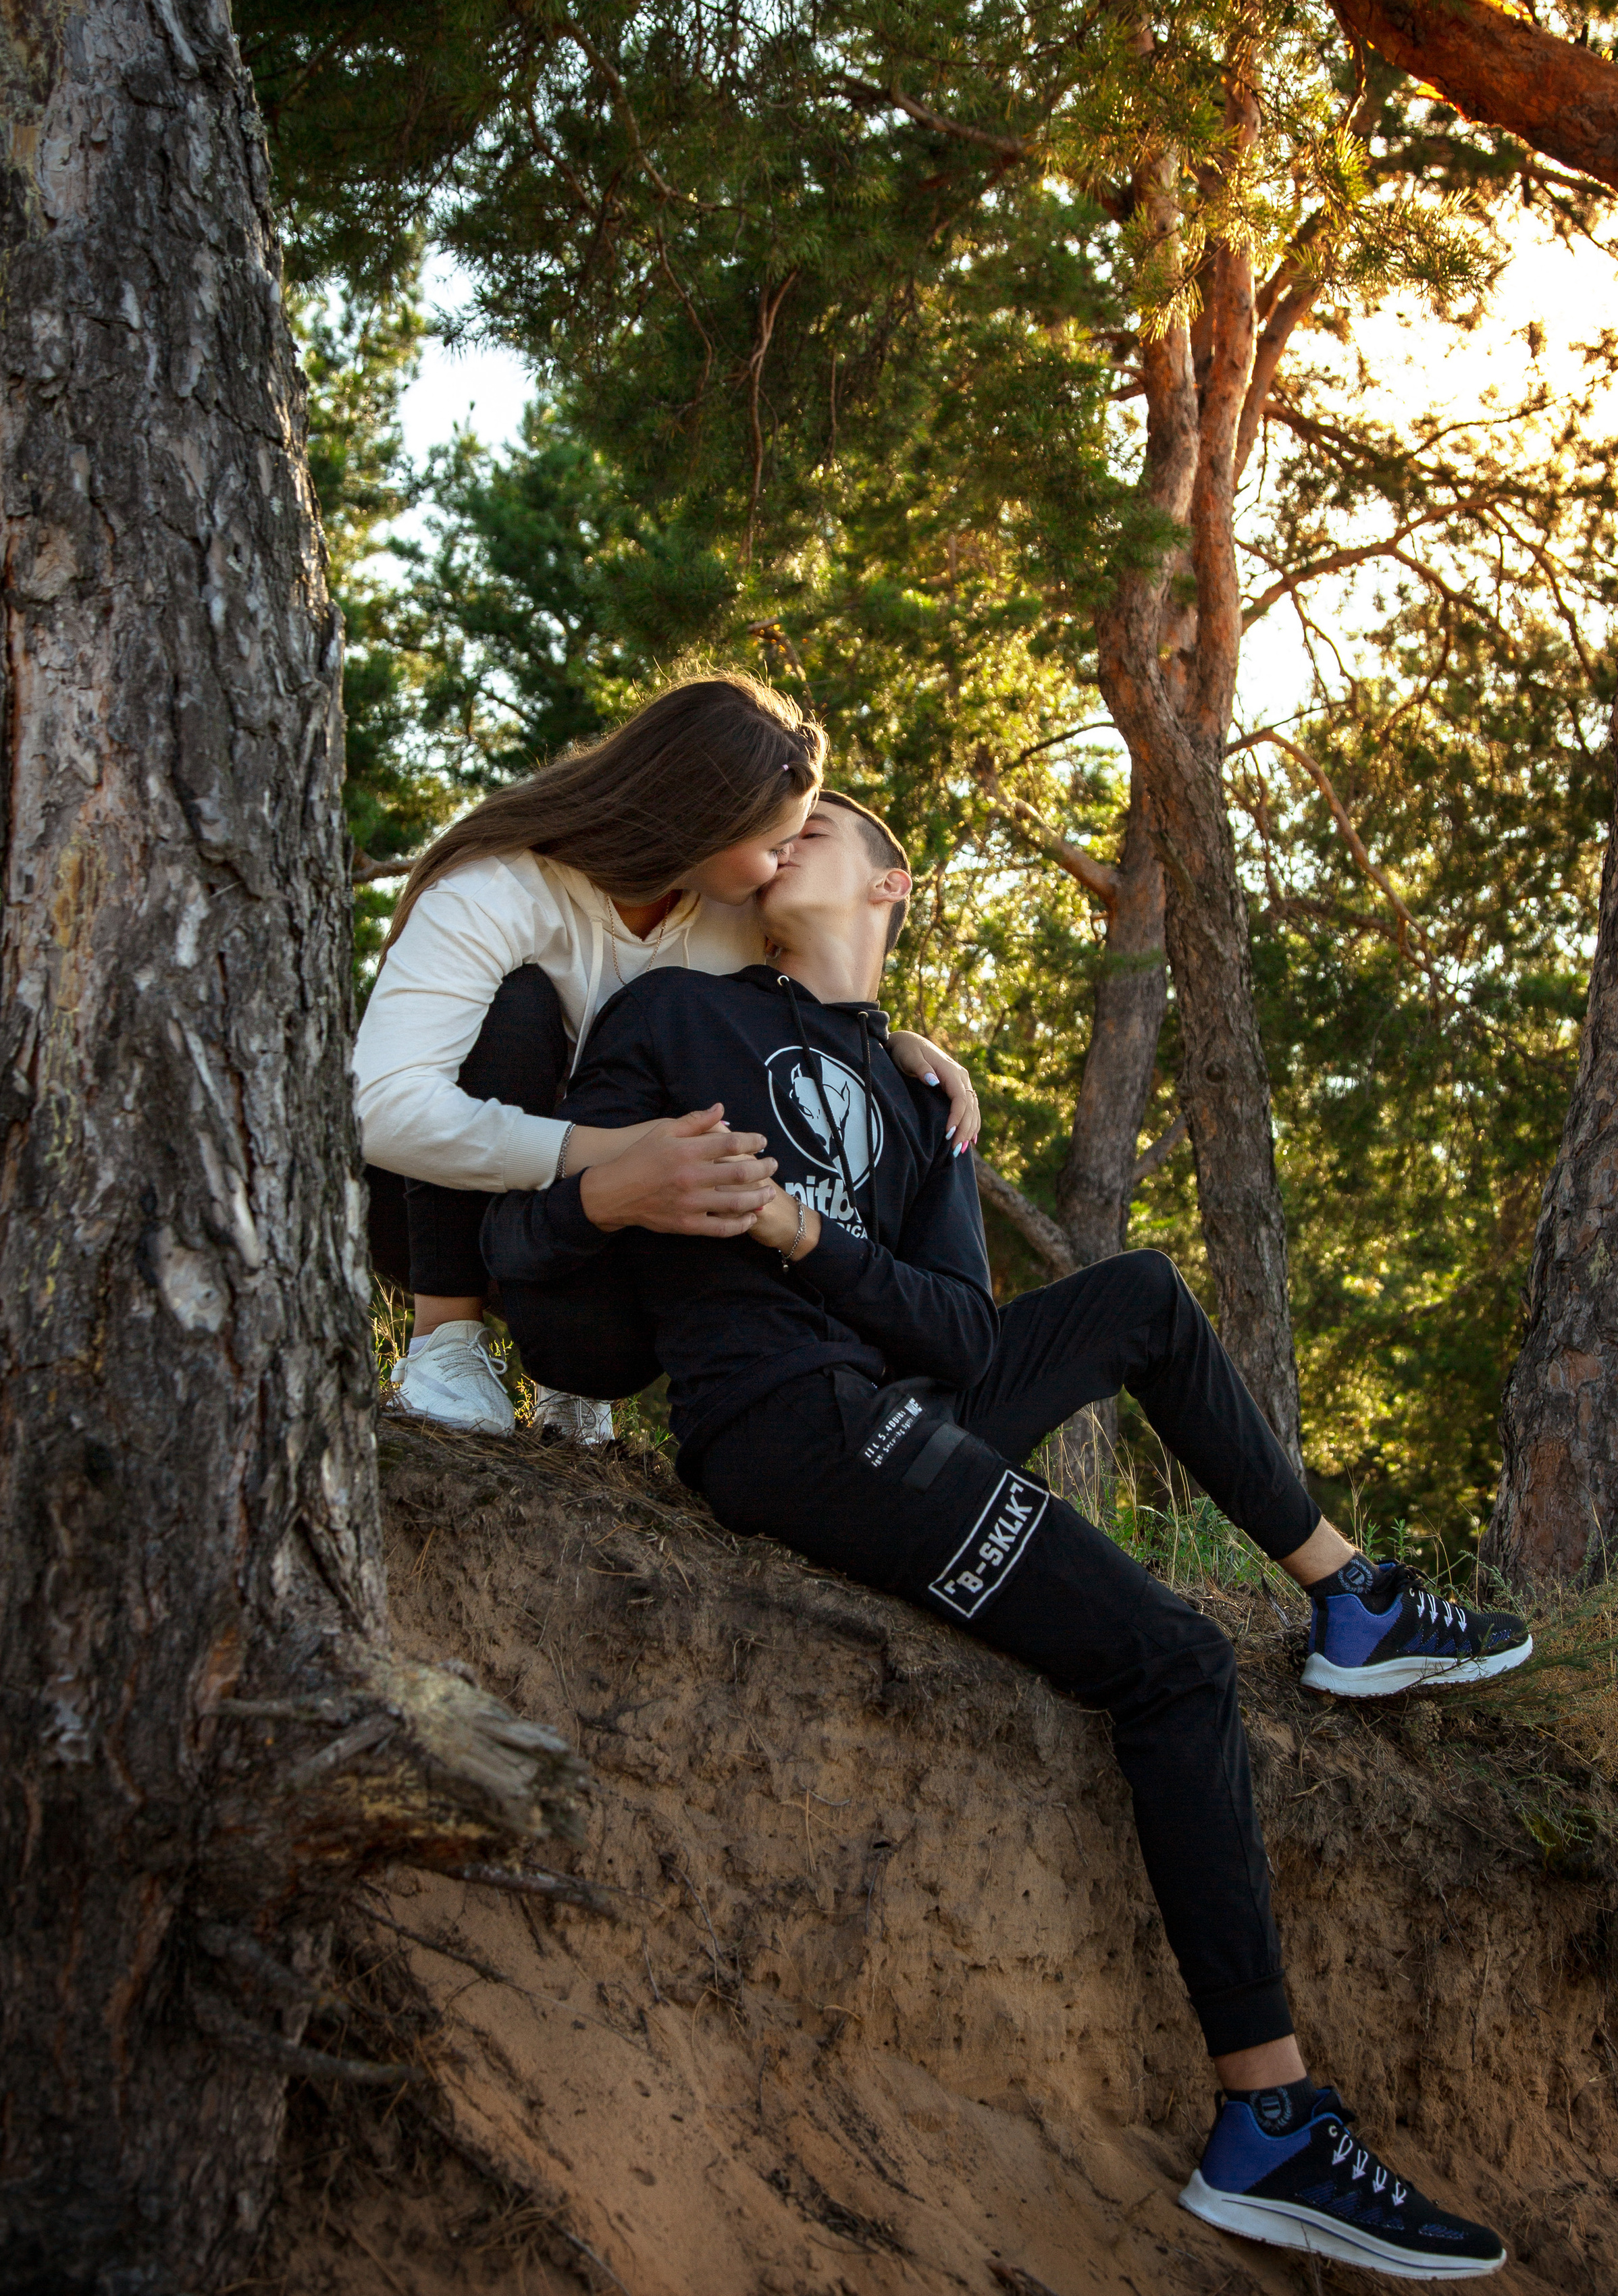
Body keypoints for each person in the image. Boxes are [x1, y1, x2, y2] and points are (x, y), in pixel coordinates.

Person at [481, 791, 1529, 2280]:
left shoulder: (919, 1099)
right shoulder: (673, 1019)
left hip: (900, 1400)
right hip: (788, 1420)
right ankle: (1268, 2121)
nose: (778, 843)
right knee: (1171, 1662)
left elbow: (965, 1336)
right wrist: (609, 1188)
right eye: (768, 831)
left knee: (1144, 1297)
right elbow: (532, 1252)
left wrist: (814, 1230)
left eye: (817, 828)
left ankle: (1350, 1599)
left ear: (891, 887)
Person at [353, 674, 978, 1437]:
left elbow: (814, 996)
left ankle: (570, 1377)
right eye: (777, 844)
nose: (784, 865)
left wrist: (893, 1042)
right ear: (703, 823)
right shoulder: (496, 890)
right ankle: (443, 1343)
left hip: (591, 1237)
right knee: (518, 1003)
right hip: (426, 1203)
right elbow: (385, 1111)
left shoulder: (730, 919)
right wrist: (614, 1151)